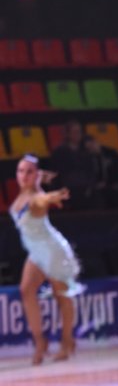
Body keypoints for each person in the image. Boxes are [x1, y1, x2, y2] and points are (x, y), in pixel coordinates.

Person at [9, 154, 85, 364]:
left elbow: (41, 200)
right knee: (26, 290)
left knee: (62, 296)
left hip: (52, 251)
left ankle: (67, 342)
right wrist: (40, 176)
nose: (24, 175)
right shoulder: (28, 191)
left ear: (35, 175)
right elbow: (36, 184)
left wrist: (52, 196)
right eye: (21, 171)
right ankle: (40, 342)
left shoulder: (36, 197)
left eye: (29, 172)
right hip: (36, 252)